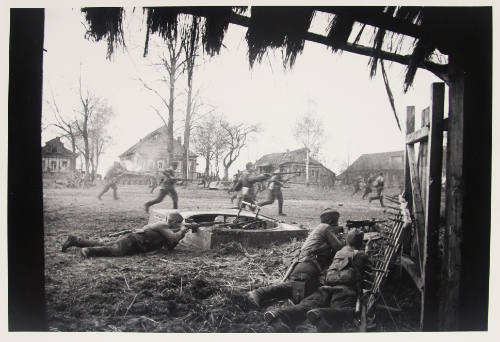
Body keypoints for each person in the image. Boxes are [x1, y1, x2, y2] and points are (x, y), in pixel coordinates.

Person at [263, 229, 373, 332]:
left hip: (325, 287)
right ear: (360, 243)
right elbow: (365, 275)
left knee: (305, 306)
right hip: (344, 290)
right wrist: (368, 252)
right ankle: (320, 314)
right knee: (346, 311)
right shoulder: (360, 254)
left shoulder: (339, 253)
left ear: (347, 241)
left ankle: (278, 315)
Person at [247, 209, 344, 310]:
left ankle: (265, 297)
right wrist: (346, 240)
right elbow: (339, 247)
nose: (337, 224)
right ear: (331, 221)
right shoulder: (325, 227)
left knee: (308, 290)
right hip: (307, 264)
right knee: (297, 286)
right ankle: (259, 293)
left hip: (308, 265)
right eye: (336, 221)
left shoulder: (321, 229)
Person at [61, 212, 190, 258]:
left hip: (136, 242)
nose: (179, 227)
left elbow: (169, 246)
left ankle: (75, 241)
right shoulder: (163, 225)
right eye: (178, 224)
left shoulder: (167, 229)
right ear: (172, 222)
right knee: (115, 250)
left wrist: (181, 236)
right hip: (134, 241)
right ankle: (88, 251)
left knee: (105, 244)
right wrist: (183, 231)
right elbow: (173, 237)